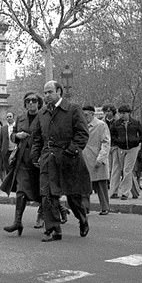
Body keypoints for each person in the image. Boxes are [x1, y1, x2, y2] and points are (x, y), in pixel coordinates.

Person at [30, 81, 91, 242]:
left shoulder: (73, 109)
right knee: (48, 195)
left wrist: (70, 151)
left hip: (69, 159)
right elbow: (36, 137)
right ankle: (53, 229)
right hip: (48, 158)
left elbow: (82, 134)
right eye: (44, 93)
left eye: (49, 92)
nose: (46, 96)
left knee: (73, 196)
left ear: (59, 91)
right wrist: (35, 155)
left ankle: (82, 218)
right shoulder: (42, 114)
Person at [1, 91, 43, 235]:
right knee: (21, 191)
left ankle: (43, 214)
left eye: (34, 101)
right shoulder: (21, 118)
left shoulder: (44, 117)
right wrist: (17, 135)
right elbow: (13, 136)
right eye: (28, 101)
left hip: (39, 159)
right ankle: (17, 222)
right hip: (23, 160)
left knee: (41, 191)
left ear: (39, 103)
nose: (31, 103)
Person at [108, 104, 142, 201]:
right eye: (121, 113)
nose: (122, 115)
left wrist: (137, 141)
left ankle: (125, 192)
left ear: (129, 113)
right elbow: (112, 135)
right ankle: (134, 191)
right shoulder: (116, 124)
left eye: (124, 113)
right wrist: (118, 141)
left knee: (127, 169)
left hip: (133, 148)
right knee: (122, 170)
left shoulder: (136, 123)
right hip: (121, 148)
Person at [81, 104, 111, 215]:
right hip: (84, 158)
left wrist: (101, 158)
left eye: (86, 115)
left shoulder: (101, 125)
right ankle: (85, 207)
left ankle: (105, 207)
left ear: (92, 114)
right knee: (84, 185)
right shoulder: (81, 125)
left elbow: (106, 143)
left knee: (101, 185)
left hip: (97, 158)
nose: (84, 117)